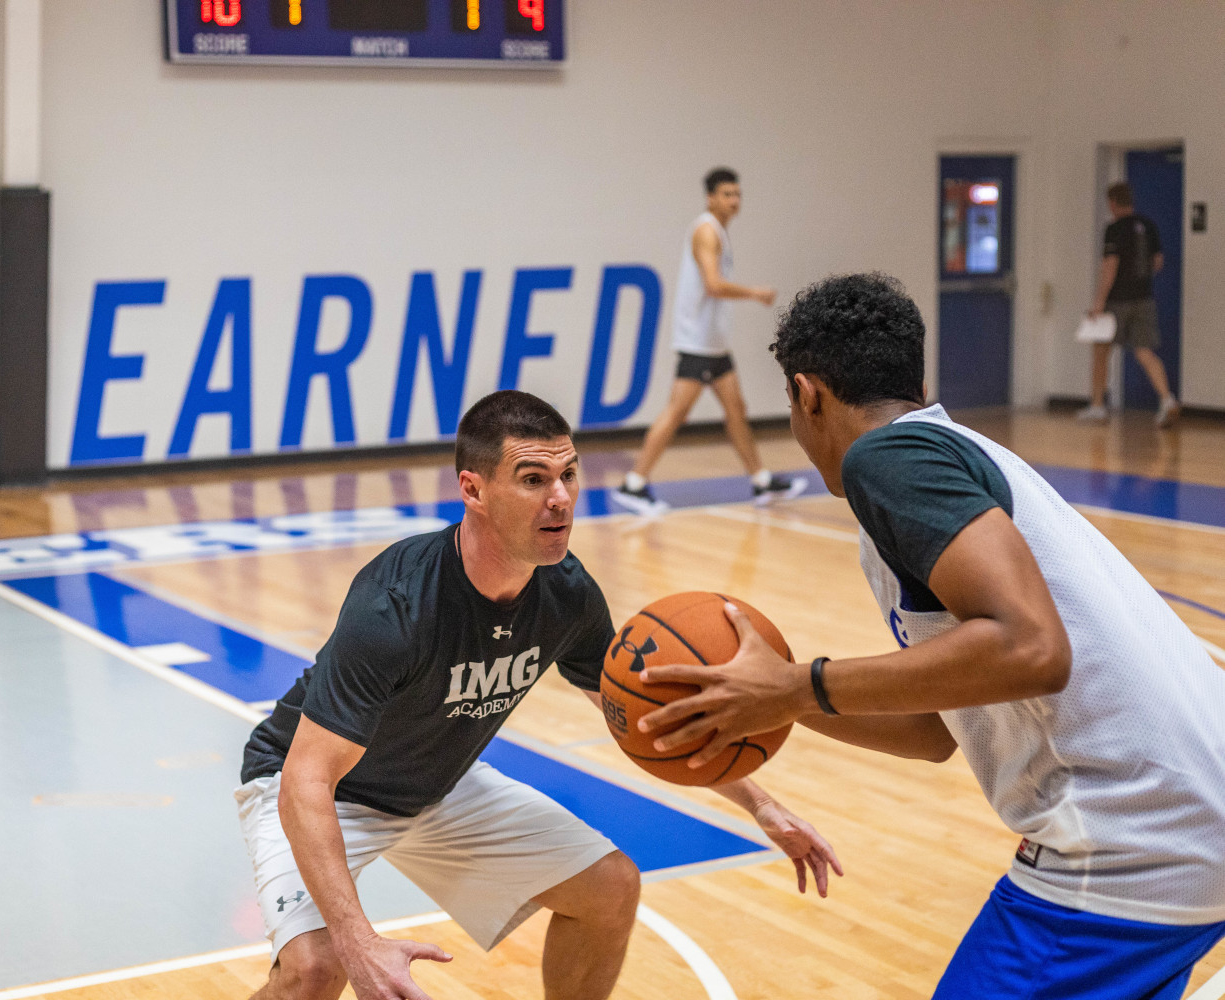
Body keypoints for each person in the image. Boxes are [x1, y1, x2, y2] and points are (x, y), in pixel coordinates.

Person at [636, 274, 1225, 999]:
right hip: (1189, 817)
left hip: (1132, 836)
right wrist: (776, 703)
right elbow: (934, 732)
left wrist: (799, 684)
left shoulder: (887, 460)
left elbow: (1033, 649)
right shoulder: (948, 453)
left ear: (805, 393)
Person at [236, 390, 841, 1000]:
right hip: (318, 786)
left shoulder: (568, 594)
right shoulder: (395, 604)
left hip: (432, 784)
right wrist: (358, 940)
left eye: (568, 474)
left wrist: (760, 805)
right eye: (533, 479)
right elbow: (306, 781)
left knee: (609, 888)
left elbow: (649, 716)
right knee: (315, 968)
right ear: (473, 490)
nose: (560, 498)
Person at [612, 167, 806, 514]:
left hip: (714, 344)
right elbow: (713, 284)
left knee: (736, 409)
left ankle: (760, 480)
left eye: (737, 195)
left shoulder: (719, 232)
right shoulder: (706, 231)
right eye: (727, 194)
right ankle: (633, 483)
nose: (734, 201)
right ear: (710, 197)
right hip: (697, 343)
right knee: (677, 412)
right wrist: (755, 293)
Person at [1078, 181, 1181, 427]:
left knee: (1101, 351)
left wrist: (1098, 303)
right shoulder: (1148, 225)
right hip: (1144, 298)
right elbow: (1157, 262)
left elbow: (1110, 267)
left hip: (1117, 301)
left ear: (1112, 203)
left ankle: (1097, 406)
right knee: (1144, 351)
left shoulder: (1114, 229)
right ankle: (1167, 400)